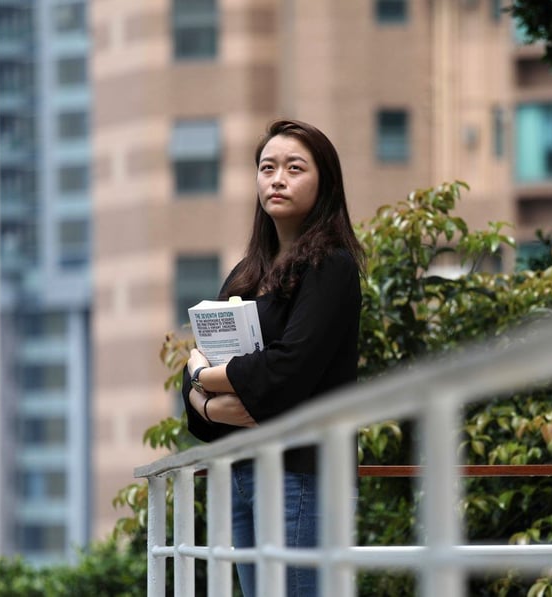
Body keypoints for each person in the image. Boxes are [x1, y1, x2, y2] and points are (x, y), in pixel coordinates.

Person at [179, 119, 364, 597]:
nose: (277, 178)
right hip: (242, 469)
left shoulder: (331, 266)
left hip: (301, 472)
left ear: (324, 183)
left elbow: (286, 372)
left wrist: (207, 379)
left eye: (294, 168)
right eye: (267, 168)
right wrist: (208, 395)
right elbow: (193, 381)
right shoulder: (246, 275)